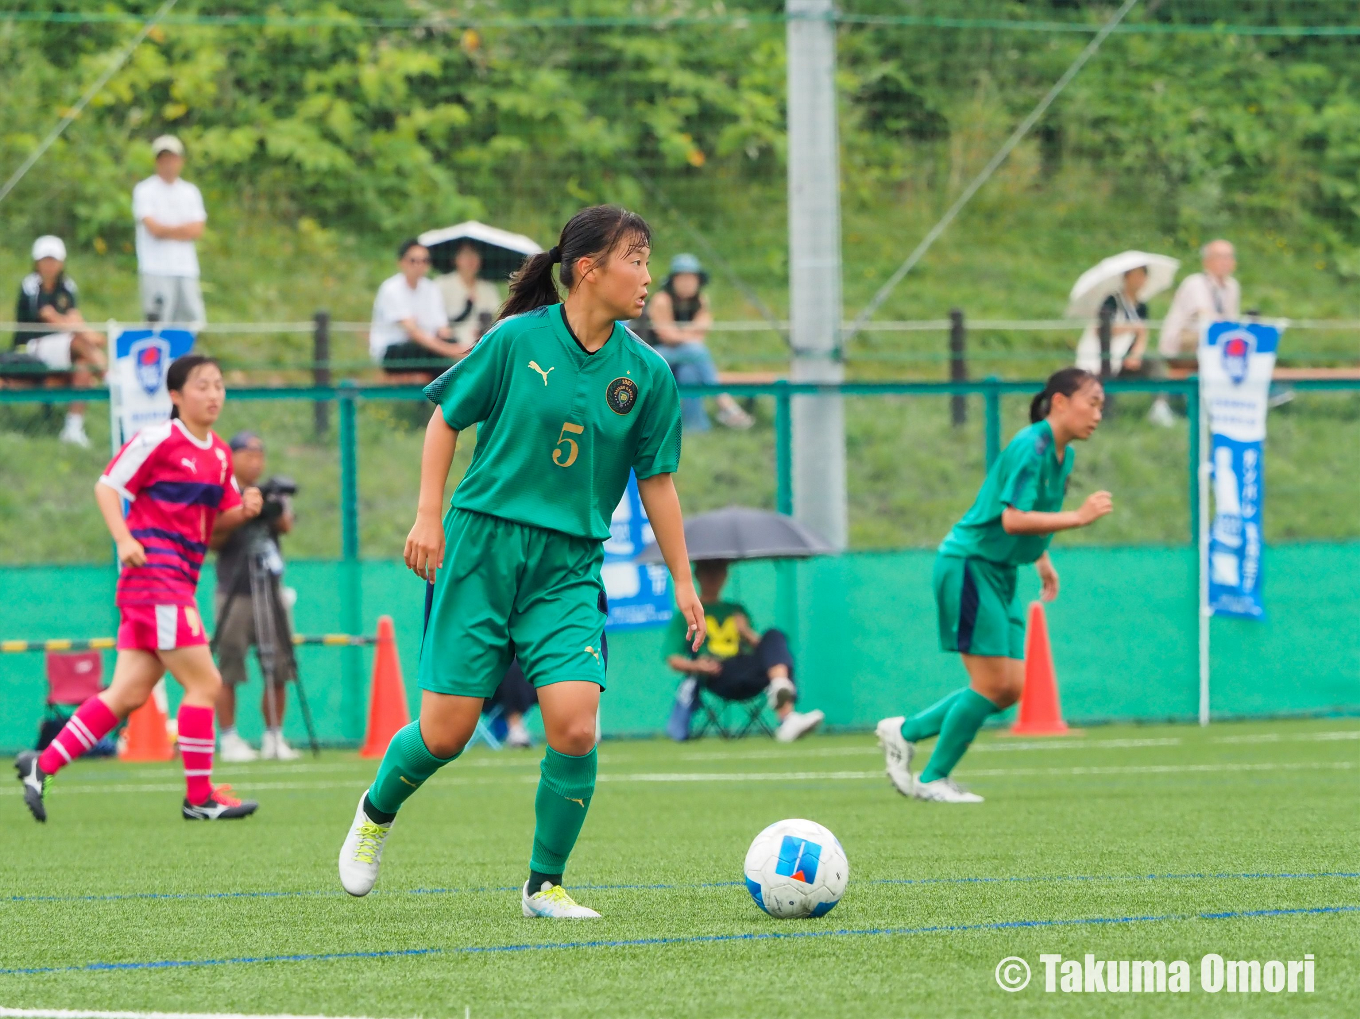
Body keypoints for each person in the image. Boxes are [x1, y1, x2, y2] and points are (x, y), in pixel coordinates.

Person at [337, 205, 704, 919]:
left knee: (575, 722)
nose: (648, 276)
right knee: (443, 734)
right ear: (588, 270)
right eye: (636, 258)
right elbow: (446, 418)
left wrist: (683, 579)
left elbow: (656, 481)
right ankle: (376, 811)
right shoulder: (514, 341)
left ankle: (544, 884)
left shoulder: (649, 374)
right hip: (481, 547)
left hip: (568, 563)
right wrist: (427, 516)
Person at [15, 355, 263, 822]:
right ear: (175, 395)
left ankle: (40, 764)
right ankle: (199, 797)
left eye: (219, 385)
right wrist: (125, 538)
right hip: (156, 579)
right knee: (205, 682)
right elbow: (108, 486)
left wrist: (244, 510)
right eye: (202, 386)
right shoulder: (157, 439)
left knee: (127, 693)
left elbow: (215, 529)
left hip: (175, 581)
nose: (213, 395)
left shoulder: (220, 455)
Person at [875, 368, 1113, 804]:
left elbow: (1030, 516)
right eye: (1091, 402)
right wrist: (1078, 518)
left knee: (1008, 688)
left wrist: (1041, 558)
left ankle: (905, 731)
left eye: (1101, 405)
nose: (1098, 413)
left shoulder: (1064, 455)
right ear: (1059, 402)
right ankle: (932, 779)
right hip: (970, 565)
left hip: (1001, 571)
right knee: (990, 684)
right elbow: (1011, 518)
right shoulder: (1031, 445)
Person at [210, 431, 300, 763]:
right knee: (228, 664)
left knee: (279, 664)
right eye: (248, 454)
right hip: (233, 588)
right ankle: (230, 738)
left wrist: (271, 505)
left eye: (260, 455)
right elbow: (212, 540)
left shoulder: (272, 491)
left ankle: (274, 736)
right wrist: (241, 513)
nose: (255, 461)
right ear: (231, 457)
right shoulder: (223, 494)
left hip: (270, 587)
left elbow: (286, 525)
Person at [664, 559, 824, 742]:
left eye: (718, 572)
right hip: (718, 673)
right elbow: (672, 659)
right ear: (698, 576)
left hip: (747, 667)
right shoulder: (686, 615)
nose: (713, 578)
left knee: (774, 635)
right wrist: (697, 666)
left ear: (725, 576)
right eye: (708, 572)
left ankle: (784, 705)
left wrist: (746, 632)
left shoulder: (736, 610)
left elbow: (763, 651)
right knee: (773, 656)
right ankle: (784, 705)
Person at [13, 235, 107, 447]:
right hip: (32, 347)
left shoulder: (67, 286)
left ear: (61, 261)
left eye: (53, 260)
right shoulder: (31, 285)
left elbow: (74, 317)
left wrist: (82, 332)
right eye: (45, 260)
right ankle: (108, 375)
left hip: (64, 345)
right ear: (37, 262)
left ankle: (73, 428)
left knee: (83, 363)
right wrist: (88, 335)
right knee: (79, 342)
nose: (49, 265)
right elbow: (49, 317)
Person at [647, 253, 753, 431]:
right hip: (654, 357)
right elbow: (667, 336)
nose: (688, 283)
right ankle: (725, 404)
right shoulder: (662, 300)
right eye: (683, 278)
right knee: (696, 351)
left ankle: (696, 427)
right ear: (673, 280)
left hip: (682, 358)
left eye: (692, 278)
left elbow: (702, 329)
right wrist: (689, 335)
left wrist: (682, 335)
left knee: (689, 373)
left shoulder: (701, 301)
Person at [1150, 239, 1241, 426]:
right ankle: (1167, 406)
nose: (1225, 261)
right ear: (1206, 262)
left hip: (1210, 343)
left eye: (1229, 257)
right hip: (1181, 345)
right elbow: (1205, 316)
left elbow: (1231, 321)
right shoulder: (1195, 283)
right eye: (1219, 257)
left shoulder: (1232, 287)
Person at [132, 135, 208, 330]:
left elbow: (197, 229)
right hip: (155, 267)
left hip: (185, 268)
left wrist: (168, 230)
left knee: (191, 320)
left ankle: (186, 359)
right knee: (158, 321)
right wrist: (182, 230)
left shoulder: (190, 191)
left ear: (181, 161)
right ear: (157, 162)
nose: (168, 165)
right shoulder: (144, 190)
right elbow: (154, 229)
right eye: (163, 160)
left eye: (173, 159)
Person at [370, 240, 469, 381]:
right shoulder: (391, 289)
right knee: (435, 354)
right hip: (394, 350)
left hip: (425, 346)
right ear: (402, 262)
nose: (419, 265)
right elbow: (413, 333)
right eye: (413, 260)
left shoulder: (431, 288)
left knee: (447, 346)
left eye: (424, 260)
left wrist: (455, 344)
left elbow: (442, 328)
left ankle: (442, 396)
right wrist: (451, 350)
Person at [1074, 265, 1149, 378]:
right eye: (1136, 276)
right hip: (1097, 355)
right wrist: (1133, 327)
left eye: (1142, 276)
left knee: (1153, 367)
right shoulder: (1112, 301)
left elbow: (1143, 333)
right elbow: (1102, 329)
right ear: (1126, 277)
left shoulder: (1142, 307)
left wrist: (1136, 355)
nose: (1139, 280)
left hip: (1122, 356)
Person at [435, 241, 503, 350]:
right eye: (466, 254)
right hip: (449, 344)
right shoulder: (442, 284)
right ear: (455, 259)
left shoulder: (488, 288)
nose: (471, 259)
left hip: (481, 343)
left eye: (475, 254)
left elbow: (495, 317)